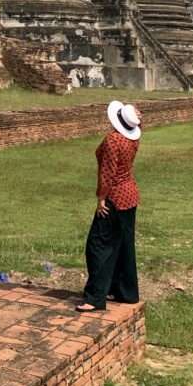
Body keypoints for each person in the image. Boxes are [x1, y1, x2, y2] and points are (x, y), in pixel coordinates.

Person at [76, 100, 141, 312]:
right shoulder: (134, 136)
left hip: (115, 197)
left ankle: (95, 297)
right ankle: (125, 291)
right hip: (130, 195)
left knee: (98, 245)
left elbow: (108, 172)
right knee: (123, 245)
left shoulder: (114, 140)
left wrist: (101, 198)